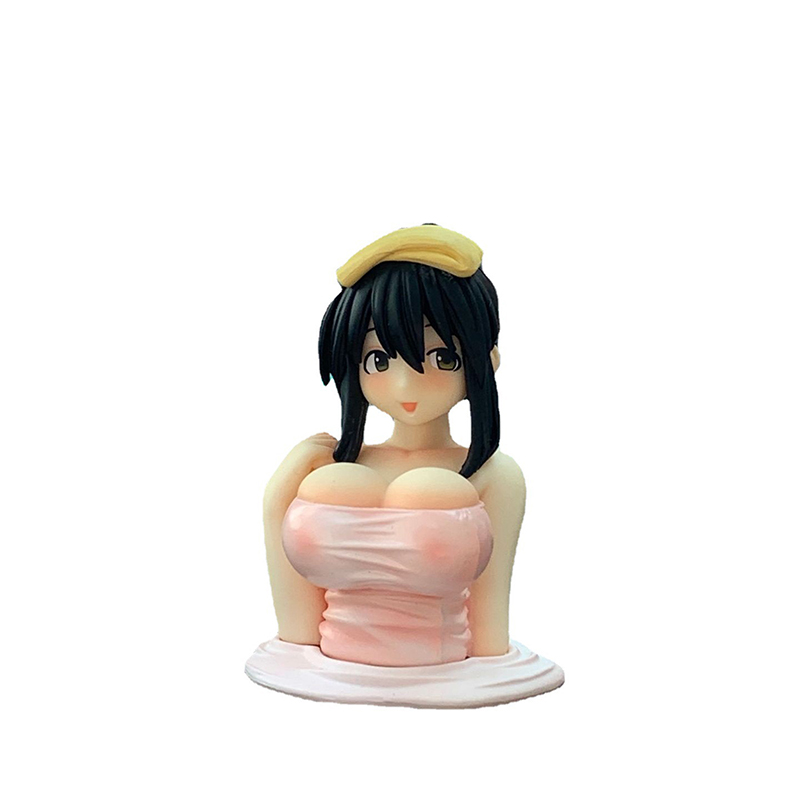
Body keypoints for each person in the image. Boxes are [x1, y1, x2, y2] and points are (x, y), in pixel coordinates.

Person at [246, 224, 563, 706]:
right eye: (378, 359)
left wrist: (488, 668)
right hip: (319, 685)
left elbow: (490, 611)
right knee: (338, 486)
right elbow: (297, 623)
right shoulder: (331, 466)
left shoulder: (493, 475)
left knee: (431, 491)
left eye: (442, 357)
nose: (404, 385)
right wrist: (279, 491)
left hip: (446, 682)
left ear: (487, 359)